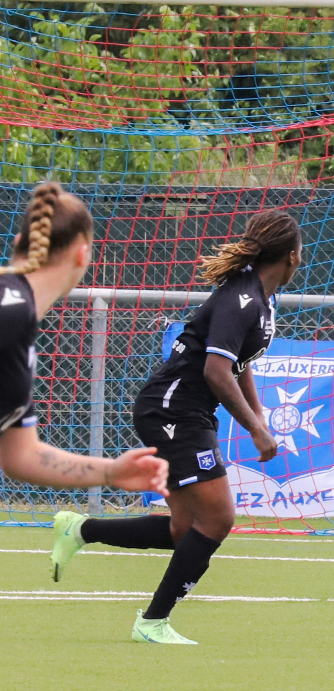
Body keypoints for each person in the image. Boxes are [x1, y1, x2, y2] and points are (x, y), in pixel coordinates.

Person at [50, 209, 302, 645]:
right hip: (172, 411)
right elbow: (216, 372)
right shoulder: (240, 298)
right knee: (219, 518)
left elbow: (239, 365)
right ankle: (152, 622)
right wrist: (257, 432)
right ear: (294, 257)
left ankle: (79, 529)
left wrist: (257, 416)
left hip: (187, 411)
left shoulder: (262, 299)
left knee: (184, 531)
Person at [0, 182, 169, 497]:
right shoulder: (11, 309)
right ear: (83, 255)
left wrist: (111, 471)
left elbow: (21, 456)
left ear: (19, 242)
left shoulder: (18, 325)